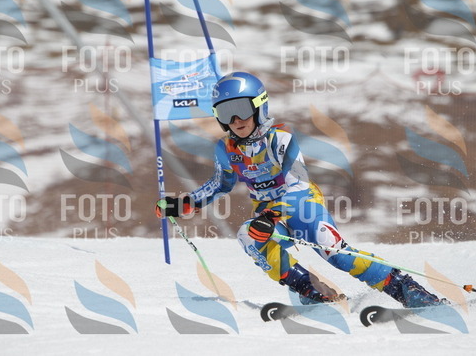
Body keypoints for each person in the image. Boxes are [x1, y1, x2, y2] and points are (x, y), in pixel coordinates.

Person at [156, 71, 443, 308]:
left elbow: (297, 183)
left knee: (337, 255)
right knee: (248, 237)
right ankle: (314, 292)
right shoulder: (226, 149)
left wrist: (271, 217)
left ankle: (409, 291)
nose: (236, 121)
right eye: (226, 113)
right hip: (268, 214)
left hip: (303, 206)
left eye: (241, 110)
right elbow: (220, 184)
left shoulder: (280, 138)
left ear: (259, 106)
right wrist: (183, 204)